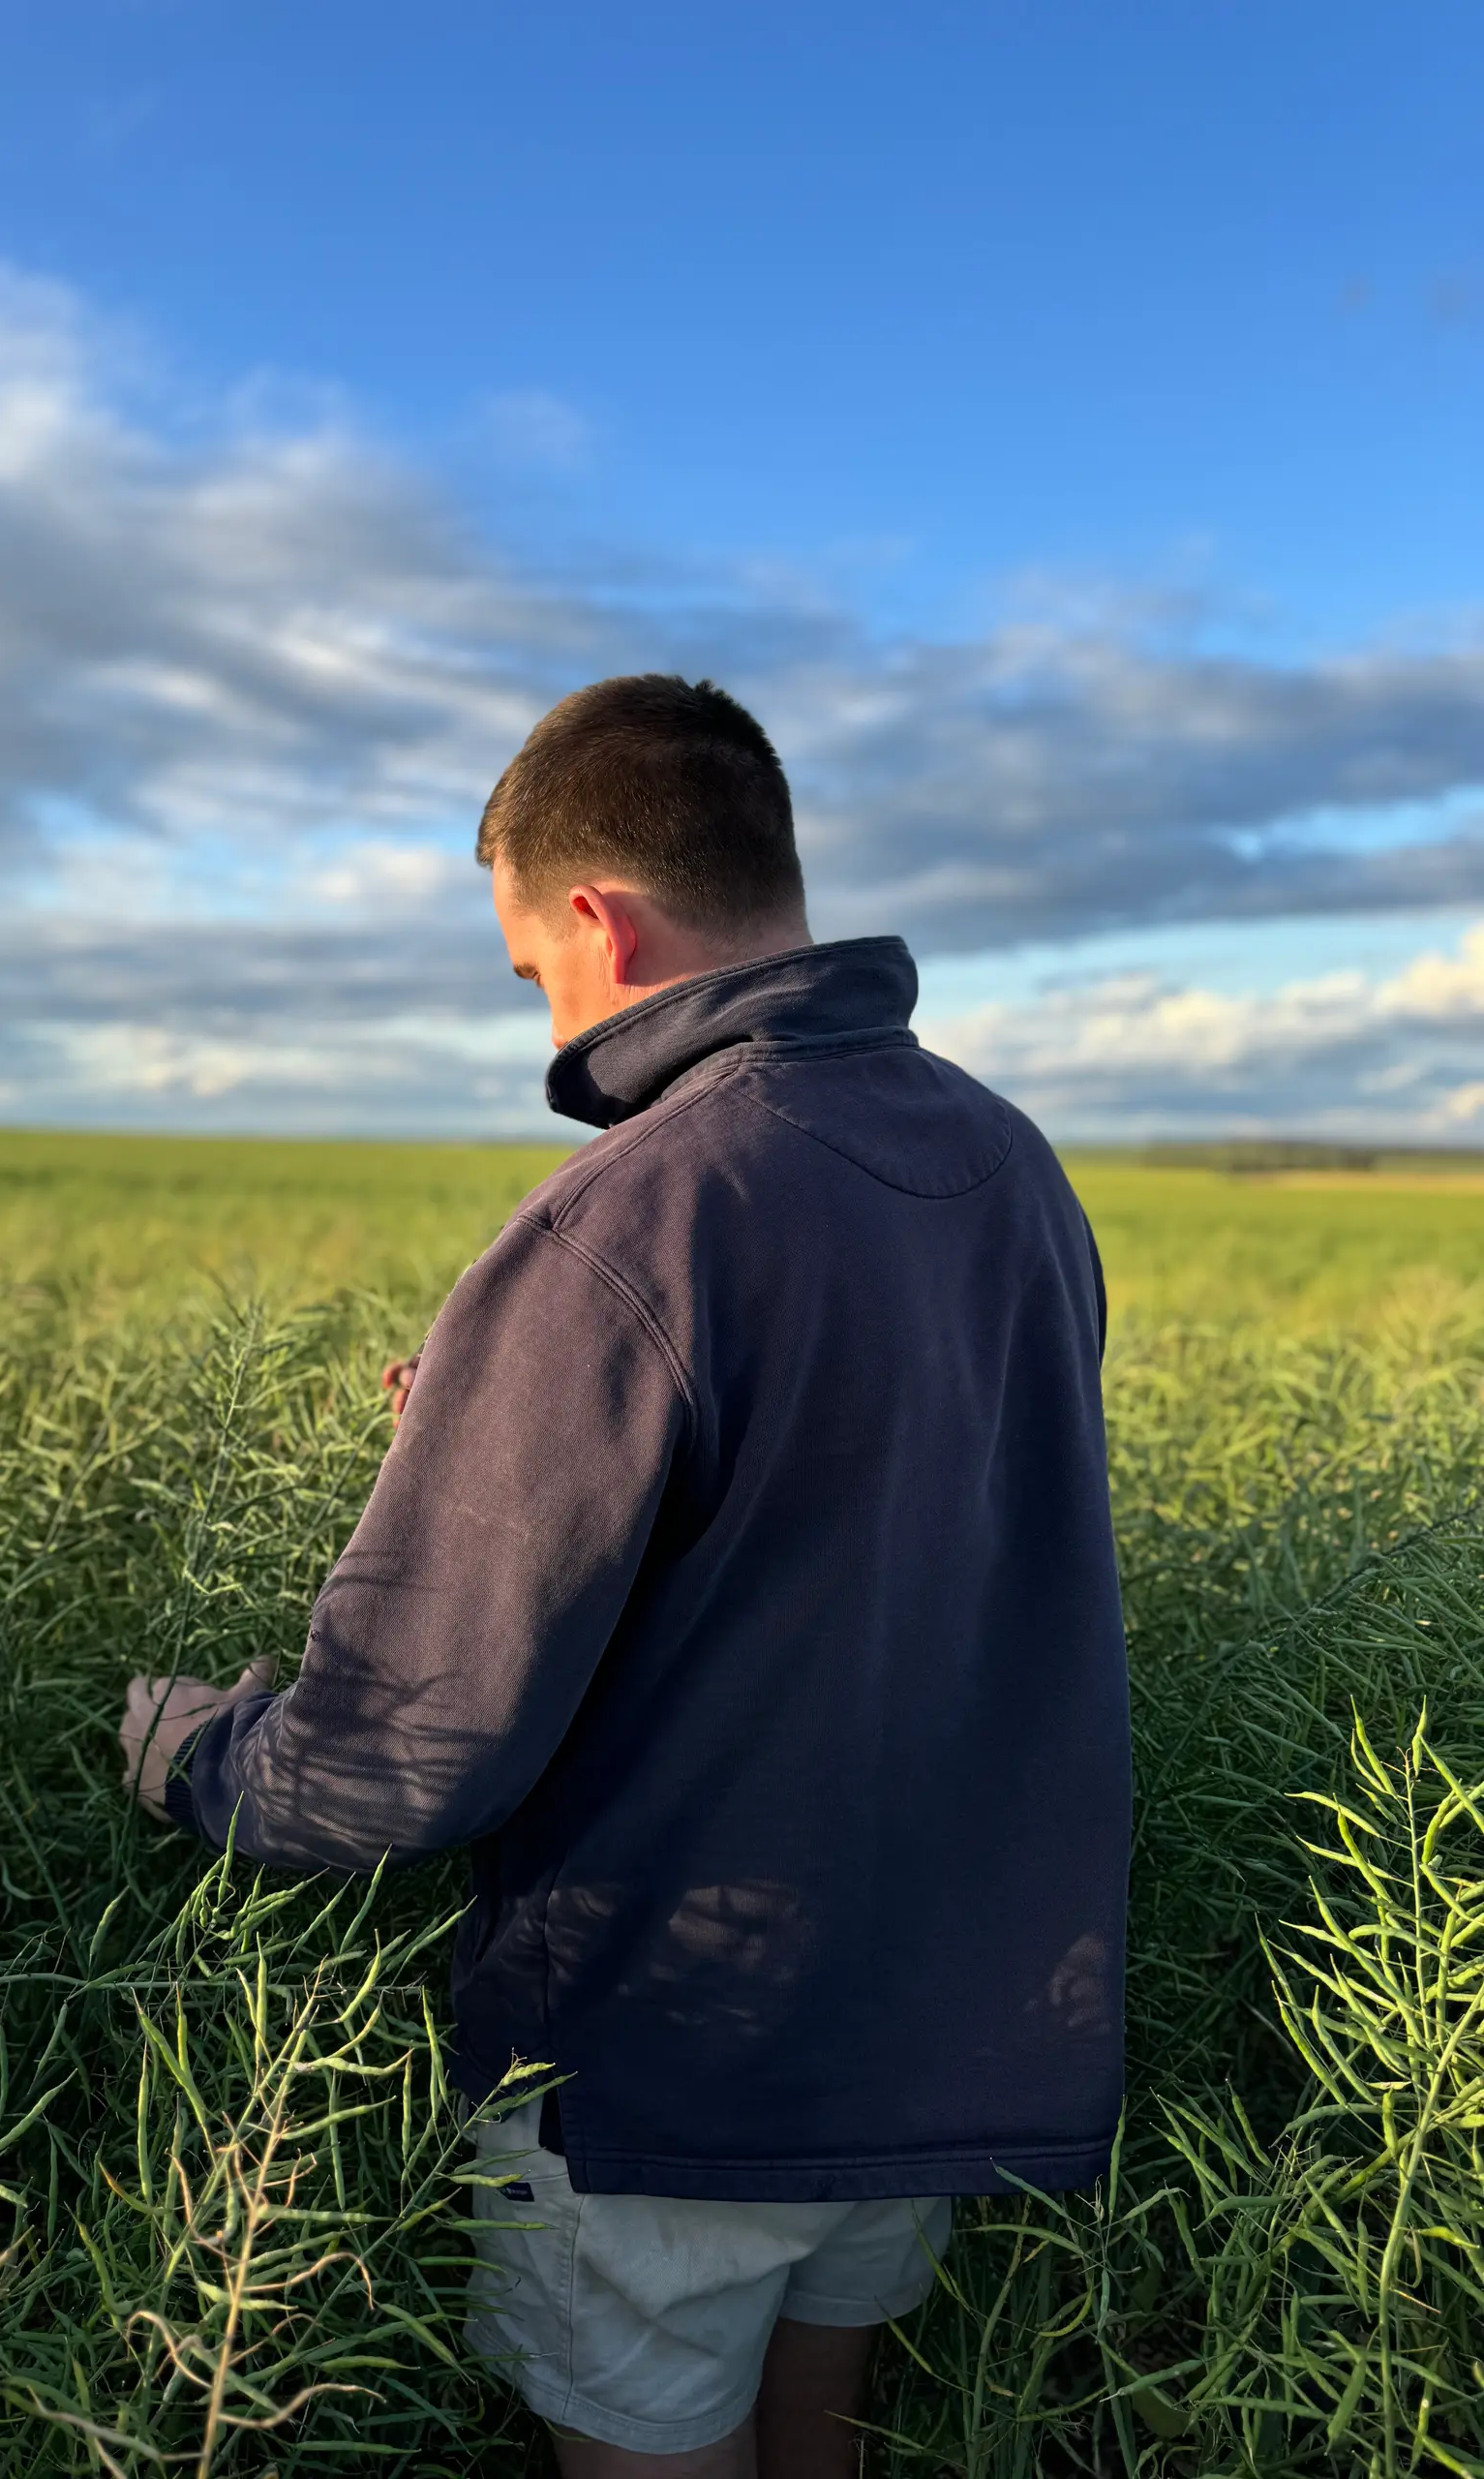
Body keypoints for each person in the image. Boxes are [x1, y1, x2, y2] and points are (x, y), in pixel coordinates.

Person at [121, 674, 1131, 2478]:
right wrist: (513, 1423)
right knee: (820, 2435)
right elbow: (871, 1511)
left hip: (685, 2040)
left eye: (533, 973)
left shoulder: (635, 1212)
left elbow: (404, 1750)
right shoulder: (1008, 1164)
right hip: (945, 2024)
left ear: (599, 918)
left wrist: (192, 1751)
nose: (546, 1010)